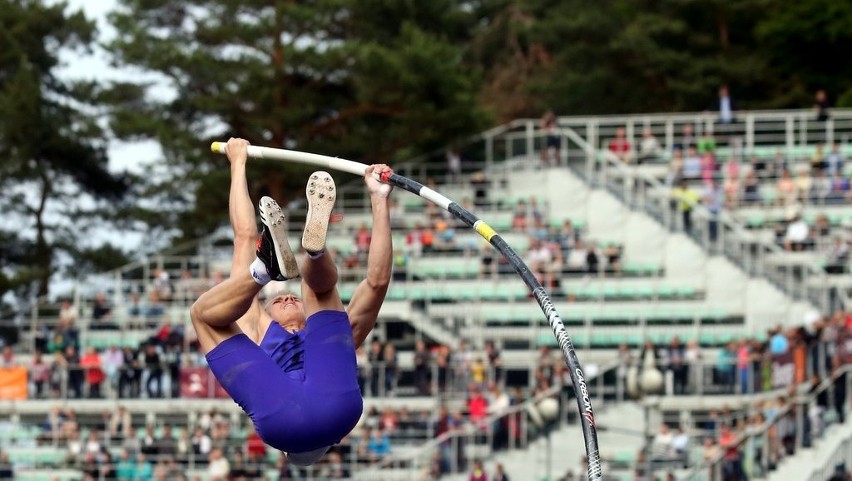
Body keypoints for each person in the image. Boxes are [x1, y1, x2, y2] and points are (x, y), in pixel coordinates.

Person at [189, 138, 393, 466]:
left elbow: (244, 236)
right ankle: (312, 252)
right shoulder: (345, 339)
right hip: (331, 410)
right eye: (283, 296)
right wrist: (378, 200)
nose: (285, 295)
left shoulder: (255, 328)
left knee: (203, 316)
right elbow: (377, 283)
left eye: (281, 296)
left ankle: (267, 268)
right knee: (320, 296)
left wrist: (237, 164)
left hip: (308, 422)